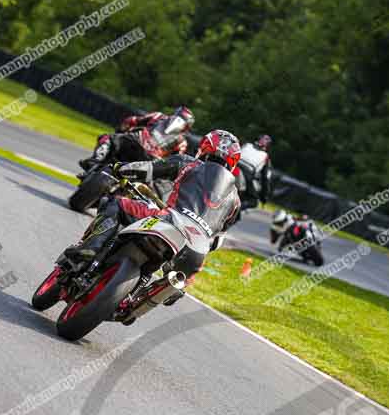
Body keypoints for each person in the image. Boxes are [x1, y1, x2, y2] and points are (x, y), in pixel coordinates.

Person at [64, 129, 242, 285]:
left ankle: (89, 249)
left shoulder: (188, 163)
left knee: (115, 203)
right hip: (195, 251)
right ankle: (147, 294)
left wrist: (119, 168)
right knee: (179, 283)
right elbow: (217, 241)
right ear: (234, 161)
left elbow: (146, 168)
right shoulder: (235, 200)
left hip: (168, 220)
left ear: (204, 148)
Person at [77, 106, 195, 178]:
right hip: (151, 159)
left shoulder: (158, 116)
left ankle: (93, 162)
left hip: (134, 142)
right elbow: (175, 161)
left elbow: (133, 120)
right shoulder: (182, 142)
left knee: (107, 138)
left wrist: (121, 131)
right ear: (188, 127)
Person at [235, 134, 273, 210]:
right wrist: (264, 197)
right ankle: (236, 209)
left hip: (232, 166)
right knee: (254, 201)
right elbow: (266, 179)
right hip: (246, 174)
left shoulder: (246, 145)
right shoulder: (266, 157)